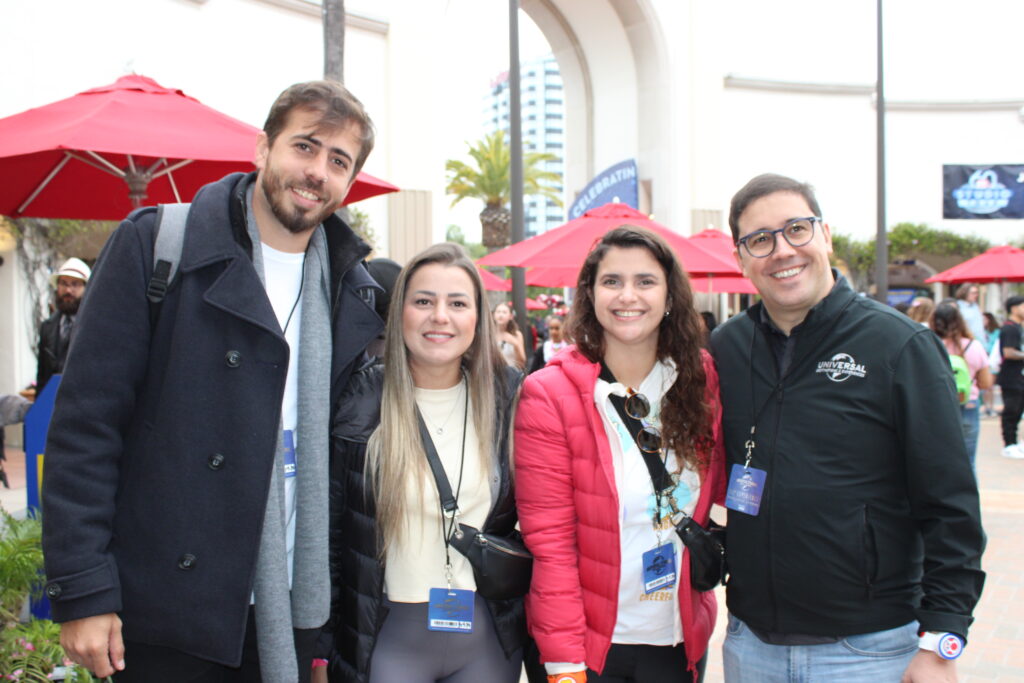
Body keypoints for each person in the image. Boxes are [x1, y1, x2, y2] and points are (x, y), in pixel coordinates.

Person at [40, 80, 383, 682]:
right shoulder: (157, 244)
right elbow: (86, 429)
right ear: (261, 149)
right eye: (305, 147)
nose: (317, 172)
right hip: (169, 608)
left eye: (338, 161)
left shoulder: (354, 291)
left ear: (348, 182)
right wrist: (86, 592)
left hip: (293, 610)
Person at [711, 174, 985, 682]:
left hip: (869, 650)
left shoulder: (899, 345)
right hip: (751, 645)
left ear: (826, 235)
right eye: (760, 240)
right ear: (741, 258)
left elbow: (951, 506)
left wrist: (942, 641)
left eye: (797, 229)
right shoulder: (725, 348)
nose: (782, 250)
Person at [515, 226, 726, 682]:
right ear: (589, 294)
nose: (627, 295)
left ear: (670, 295)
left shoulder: (700, 380)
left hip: (679, 640)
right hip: (590, 649)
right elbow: (550, 544)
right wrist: (565, 665)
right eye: (611, 281)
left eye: (645, 281)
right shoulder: (550, 393)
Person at [326, 243, 525, 682]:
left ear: (478, 317)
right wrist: (321, 649)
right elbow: (331, 537)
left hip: (487, 641)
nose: (440, 317)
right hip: (387, 640)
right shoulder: (358, 399)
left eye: (457, 303)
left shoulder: (510, 398)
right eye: (423, 301)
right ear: (400, 313)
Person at [930, 302, 993, 466]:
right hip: (968, 404)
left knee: (937, 459)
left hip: (935, 405)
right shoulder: (974, 346)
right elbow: (986, 383)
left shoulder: (927, 344)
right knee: (968, 460)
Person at [36, 257, 91, 394]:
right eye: (63, 283)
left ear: (86, 288)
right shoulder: (47, 327)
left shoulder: (95, 326)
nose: (68, 290)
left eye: (75, 284)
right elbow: (42, 376)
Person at [997, 295, 1024, 459]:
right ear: (1014, 308)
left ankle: (1014, 442)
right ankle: (1009, 443)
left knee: (1018, 410)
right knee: (1011, 411)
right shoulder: (1009, 328)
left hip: (1019, 377)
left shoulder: (1018, 327)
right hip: (1011, 377)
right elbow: (1008, 352)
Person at [493, 302, 526, 368]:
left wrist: (515, 344)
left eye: (504, 312)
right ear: (494, 315)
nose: (500, 315)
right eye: (498, 312)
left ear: (510, 316)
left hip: (511, 373)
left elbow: (522, 361)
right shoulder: (489, 335)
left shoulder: (517, 334)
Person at [982, 311, 1001, 417]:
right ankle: (986, 407)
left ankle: (991, 407)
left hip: (992, 360)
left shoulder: (996, 332)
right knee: (985, 386)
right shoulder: (980, 331)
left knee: (990, 386)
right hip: (984, 360)